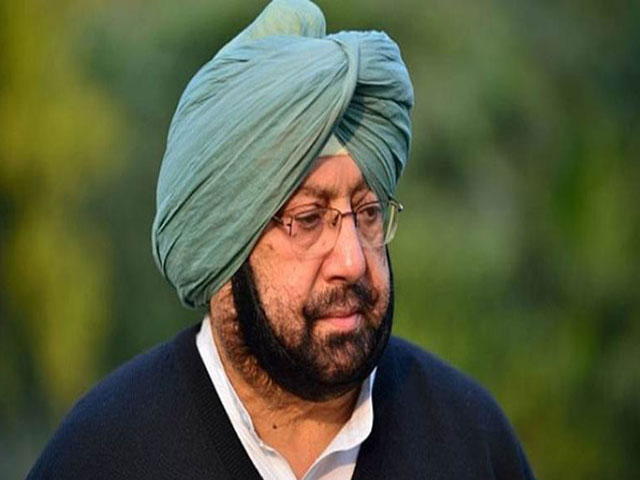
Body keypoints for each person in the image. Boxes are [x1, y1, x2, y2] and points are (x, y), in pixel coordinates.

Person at [28, 1, 535, 479]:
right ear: (223, 248)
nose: (353, 261)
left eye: (367, 213)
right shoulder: (104, 456)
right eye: (309, 219)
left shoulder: (469, 440)